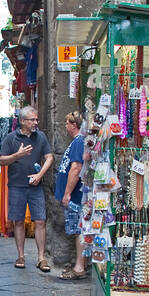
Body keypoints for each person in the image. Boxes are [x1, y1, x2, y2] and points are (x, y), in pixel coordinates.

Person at [0, 105, 54, 271]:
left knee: (40, 220)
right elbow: (2, 161)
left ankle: (41, 258)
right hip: (16, 186)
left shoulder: (41, 137)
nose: (35, 122)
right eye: (32, 120)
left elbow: (49, 157)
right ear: (22, 121)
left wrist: (40, 175)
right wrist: (18, 155)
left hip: (35, 186)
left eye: (36, 119)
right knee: (19, 221)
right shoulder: (10, 138)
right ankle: (21, 255)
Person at [55, 111, 88, 280]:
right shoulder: (77, 141)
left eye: (67, 123)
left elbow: (76, 168)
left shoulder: (79, 141)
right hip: (74, 194)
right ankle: (80, 264)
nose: (65, 126)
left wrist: (67, 193)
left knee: (79, 229)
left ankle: (80, 266)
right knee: (77, 229)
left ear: (74, 125)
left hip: (75, 195)